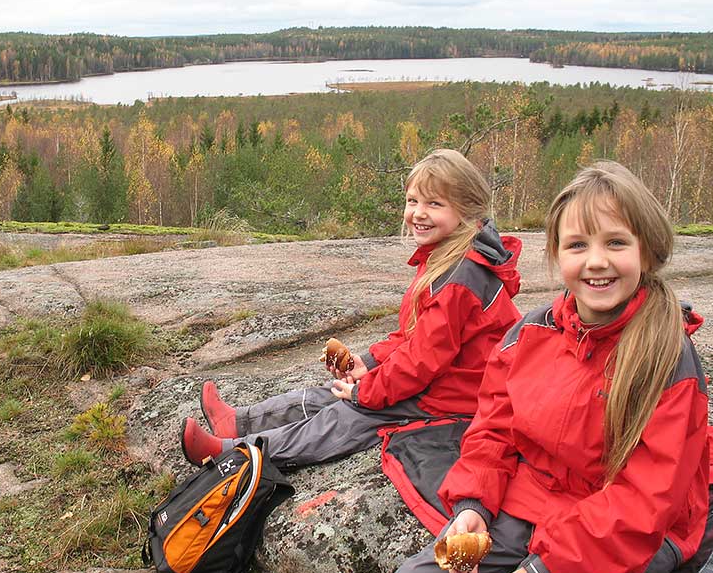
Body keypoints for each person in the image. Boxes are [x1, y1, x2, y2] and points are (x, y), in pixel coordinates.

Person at [388, 161, 710, 573]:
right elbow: (493, 428)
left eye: (615, 243)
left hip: (624, 538)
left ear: (647, 251)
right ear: (557, 254)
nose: (596, 262)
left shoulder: (666, 357)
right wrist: (472, 505)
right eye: (577, 245)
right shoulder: (533, 332)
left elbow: (645, 501)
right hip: (532, 504)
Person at [179, 148, 522, 470]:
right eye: (412, 200)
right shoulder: (448, 258)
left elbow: (422, 361)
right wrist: (369, 363)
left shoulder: (460, 278)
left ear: (466, 210)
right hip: (446, 381)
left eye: (434, 203)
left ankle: (233, 455)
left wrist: (366, 392)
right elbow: (412, 338)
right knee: (329, 394)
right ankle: (237, 422)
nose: (418, 212)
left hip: (462, 398)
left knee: (348, 414)